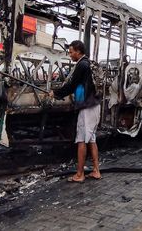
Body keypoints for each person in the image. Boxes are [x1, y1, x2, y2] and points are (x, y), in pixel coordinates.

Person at [49, 40, 101, 183]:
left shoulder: (82, 65)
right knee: (91, 139)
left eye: (71, 52)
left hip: (87, 107)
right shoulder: (88, 63)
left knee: (81, 140)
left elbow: (71, 85)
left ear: (78, 51)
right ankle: (96, 171)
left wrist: (56, 93)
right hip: (95, 105)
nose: (70, 54)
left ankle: (80, 174)